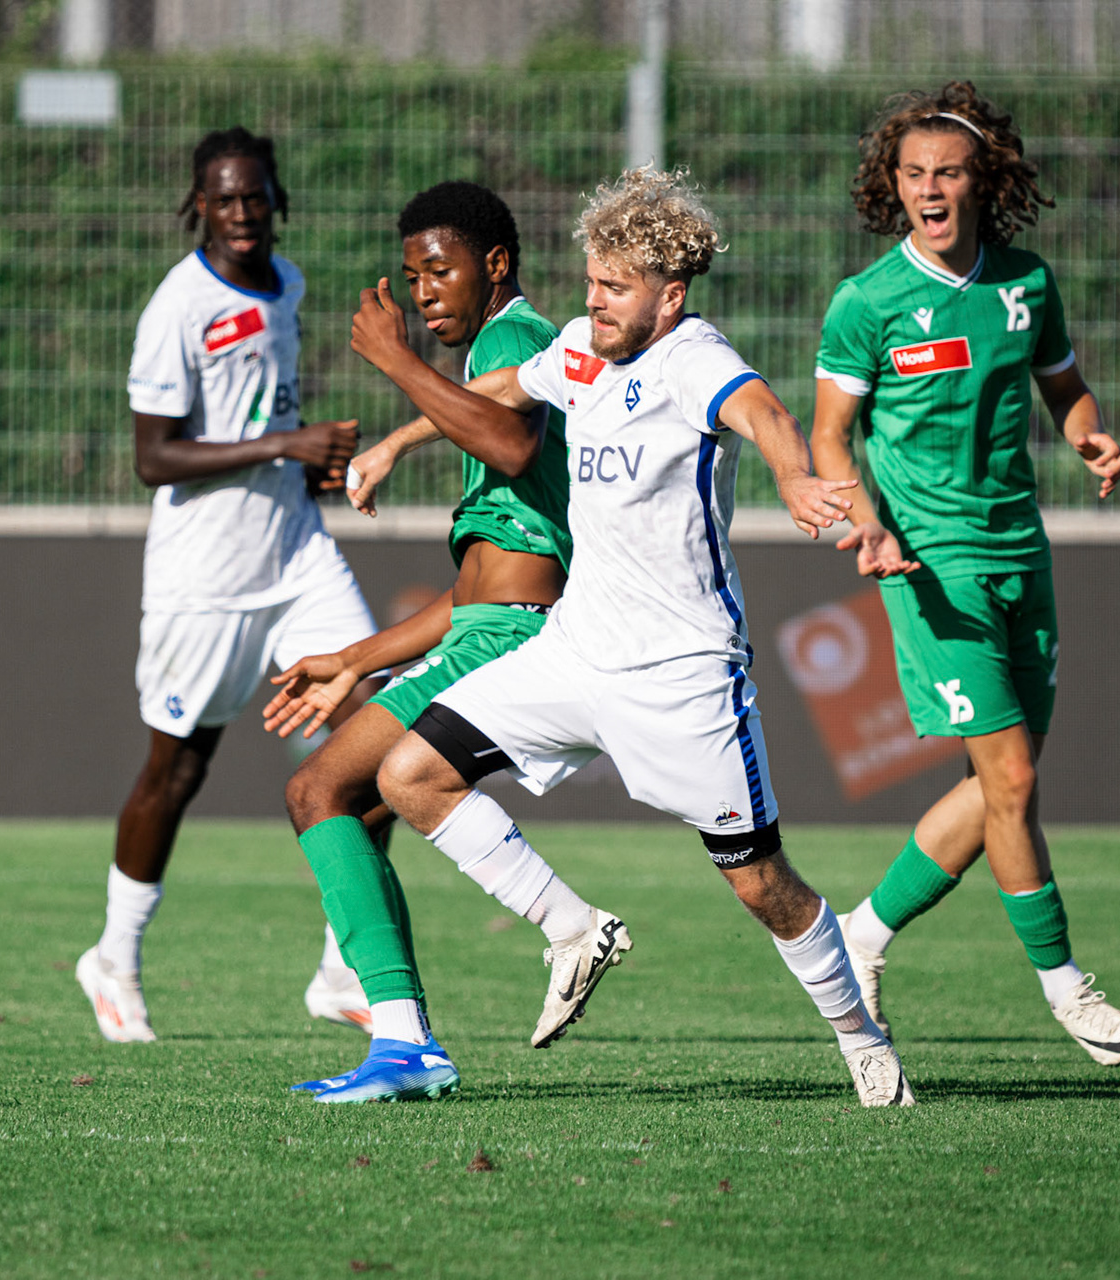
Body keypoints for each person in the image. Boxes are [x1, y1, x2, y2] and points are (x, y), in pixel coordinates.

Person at [373, 167, 918, 1108]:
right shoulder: (584, 347)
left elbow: (764, 412)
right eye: (590, 282)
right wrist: (395, 443)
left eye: (616, 288)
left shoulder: (693, 358)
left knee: (761, 888)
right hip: (576, 650)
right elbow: (501, 390)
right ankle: (571, 926)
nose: (594, 304)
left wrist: (793, 477)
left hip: (682, 675)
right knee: (408, 775)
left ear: (670, 295)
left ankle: (860, 1037)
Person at [808, 82, 1120, 1065]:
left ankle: (861, 936)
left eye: (947, 173)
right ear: (893, 187)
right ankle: (1066, 985)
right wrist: (863, 520)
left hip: (1021, 556)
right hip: (929, 565)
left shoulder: (1026, 285)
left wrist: (1092, 437)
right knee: (1014, 776)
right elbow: (831, 437)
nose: (929, 190)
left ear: (982, 180)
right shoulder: (868, 304)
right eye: (913, 175)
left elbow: (1065, 388)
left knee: (1000, 789)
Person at [260, 181, 571, 1103]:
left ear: (496, 265)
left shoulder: (515, 337)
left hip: (510, 636)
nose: (425, 290)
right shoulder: (489, 355)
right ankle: (402, 1038)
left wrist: (395, 363)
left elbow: (512, 445)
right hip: (490, 625)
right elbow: (477, 583)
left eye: (440, 269)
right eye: (411, 276)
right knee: (347, 802)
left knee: (321, 789)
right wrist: (358, 658)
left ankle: (542, 939)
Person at [75, 127, 382, 1043]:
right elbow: (153, 457)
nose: (243, 213)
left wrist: (310, 462)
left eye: (256, 196)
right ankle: (115, 957)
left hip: (294, 554)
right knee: (178, 769)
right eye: (224, 198)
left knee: (381, 733)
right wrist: (283, 444)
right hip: (202, 579)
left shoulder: (285, 284)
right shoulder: (177, 305)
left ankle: (341, 968)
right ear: (197, 206)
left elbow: (264, 411)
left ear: (276, 201)